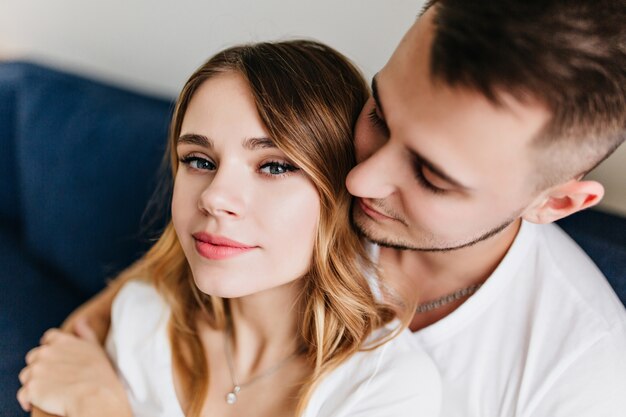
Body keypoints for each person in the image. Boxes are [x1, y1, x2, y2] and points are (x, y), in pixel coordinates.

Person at [21, 0, 626, 415]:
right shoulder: (316, 186)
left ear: (557, 201)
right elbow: (147, 292)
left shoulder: (577, 382)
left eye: (431, 174)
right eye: (380, 115)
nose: (359, 178)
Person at [16, 41, 441, 417]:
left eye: (274, 166)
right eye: (199, 160)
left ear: (343, 187)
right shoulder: (143, 318)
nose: (214, 197)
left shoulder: (388, 388)